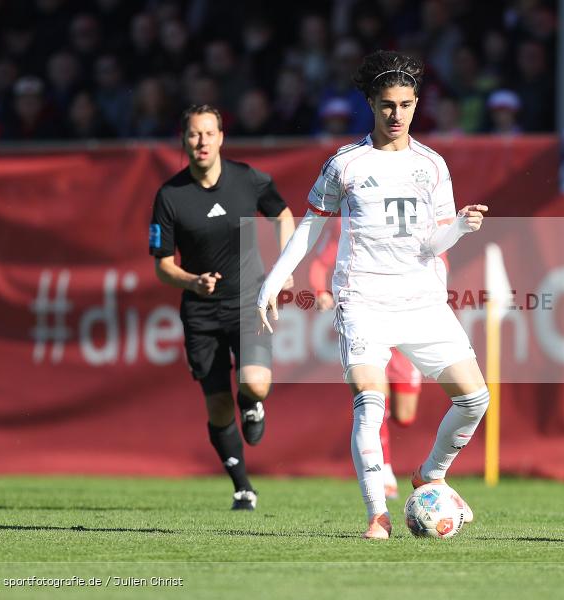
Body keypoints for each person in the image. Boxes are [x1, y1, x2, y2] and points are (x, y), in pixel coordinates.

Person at [257, 50, 490, 539]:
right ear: (370, 103)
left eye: (406, 104)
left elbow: (434, 240)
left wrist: (462, 228)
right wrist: (273, 281)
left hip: (423, 301)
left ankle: (431, 475)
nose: (397, 114)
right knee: (370, 399)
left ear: (416, 104)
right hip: (363, 300)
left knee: (474, 400)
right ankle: (377, 517)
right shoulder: (346, 164)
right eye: (387, 104)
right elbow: (309, 230)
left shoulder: (432, 165)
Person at [149, 104, 295, 510]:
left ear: (221, 138)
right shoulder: (170, 196)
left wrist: (284, 266)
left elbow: (282, 213)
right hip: (201, 311)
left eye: (209, 133)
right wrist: (192, 280)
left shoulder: (247, 179)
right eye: (194, 134)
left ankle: (252, 403)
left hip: (250, 302)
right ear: (184, 140)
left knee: (255, 384)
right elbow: (162, 266)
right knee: (216, 404)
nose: (202, 142)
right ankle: (243, 486)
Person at [308, 228, 426, 499]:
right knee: (374, 395)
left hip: (406, 327)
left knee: (405, 416)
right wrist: (320, 291)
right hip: (367, 320)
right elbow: (320, 263)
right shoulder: (350, 221)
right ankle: (383, 473)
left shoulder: (411, 218)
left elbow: (438, 261)